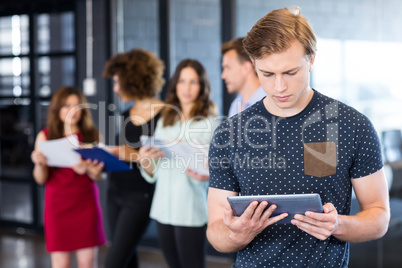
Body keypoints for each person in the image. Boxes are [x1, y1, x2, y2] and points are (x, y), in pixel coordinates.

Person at [207, 7, 390, 268]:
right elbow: (216, 232)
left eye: (290, 73)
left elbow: (379, 217)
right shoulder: (230, 133)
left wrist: (339, 224)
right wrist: (236, 234)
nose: (279, 87)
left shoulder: (352, 125)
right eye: (267, 74)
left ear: (311, 59)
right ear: (254, 65)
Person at [138, 59, 219, 268]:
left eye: (193, 82)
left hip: (190, 206)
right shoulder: (166, 118)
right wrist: (146, 160)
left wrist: (208, 172)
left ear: (201, 86)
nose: (187, 87)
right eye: (182, 81)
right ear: (175, 84)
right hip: (163, 207)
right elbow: (154, 170)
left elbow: (218, 167)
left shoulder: (210, 121)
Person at [102, 48, 165, 268]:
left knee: (114, 262)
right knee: (127, 259)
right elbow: (118, 152)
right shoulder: (123, 116)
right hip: (114, 192)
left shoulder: (166, 115)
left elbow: (167, 160)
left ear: (133, 80)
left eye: (118, 82)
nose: (115, 88)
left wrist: (135, 155)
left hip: (140, 197)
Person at [31, 86, 106, 268]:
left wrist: (90, 170)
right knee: (60, 263)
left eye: (77, 106)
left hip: (85, 204)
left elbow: (101, 175)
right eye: (66, 106)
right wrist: (40, 163)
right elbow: (41, 179)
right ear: (57, 109)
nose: (72, 111)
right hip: (57, 207)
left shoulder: (92, 135)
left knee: (87, 263)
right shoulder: (45, 136)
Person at [221, 37, 266, 117]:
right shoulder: (235, 106)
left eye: (228, 67)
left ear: (246, 68)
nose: (223, 75)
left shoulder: (270, 102)